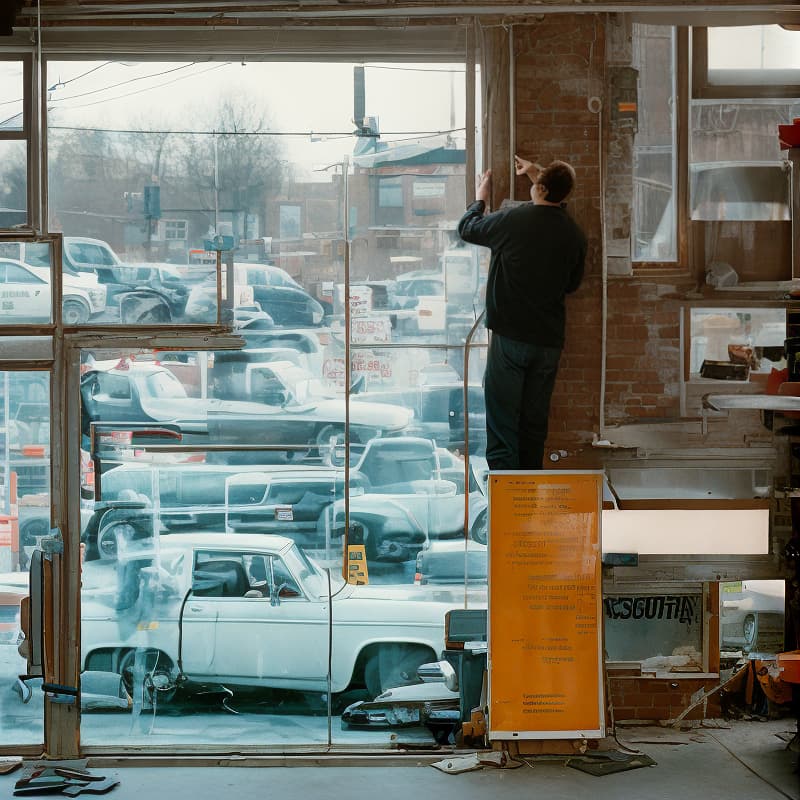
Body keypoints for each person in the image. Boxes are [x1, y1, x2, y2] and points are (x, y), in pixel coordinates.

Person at [457, 156, 586, 470]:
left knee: (502, 421)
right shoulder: (574, 234)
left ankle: (507, 502)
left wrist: (480, 198)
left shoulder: (513, 220)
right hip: (548, 342)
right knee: (534, 424)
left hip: (511, 337)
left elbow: (467, 229)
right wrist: (536, 175)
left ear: (539, 188)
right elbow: (572, 284)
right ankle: (530, 498)